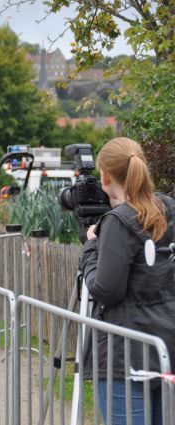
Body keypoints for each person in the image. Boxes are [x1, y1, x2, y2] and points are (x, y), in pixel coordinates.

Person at [80, 137, 175, 424]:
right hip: (166, 344)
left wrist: (91, 248)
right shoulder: (168, 208)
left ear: (105, 177)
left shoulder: (119, 221)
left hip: (126, 353)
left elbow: (106, 290)